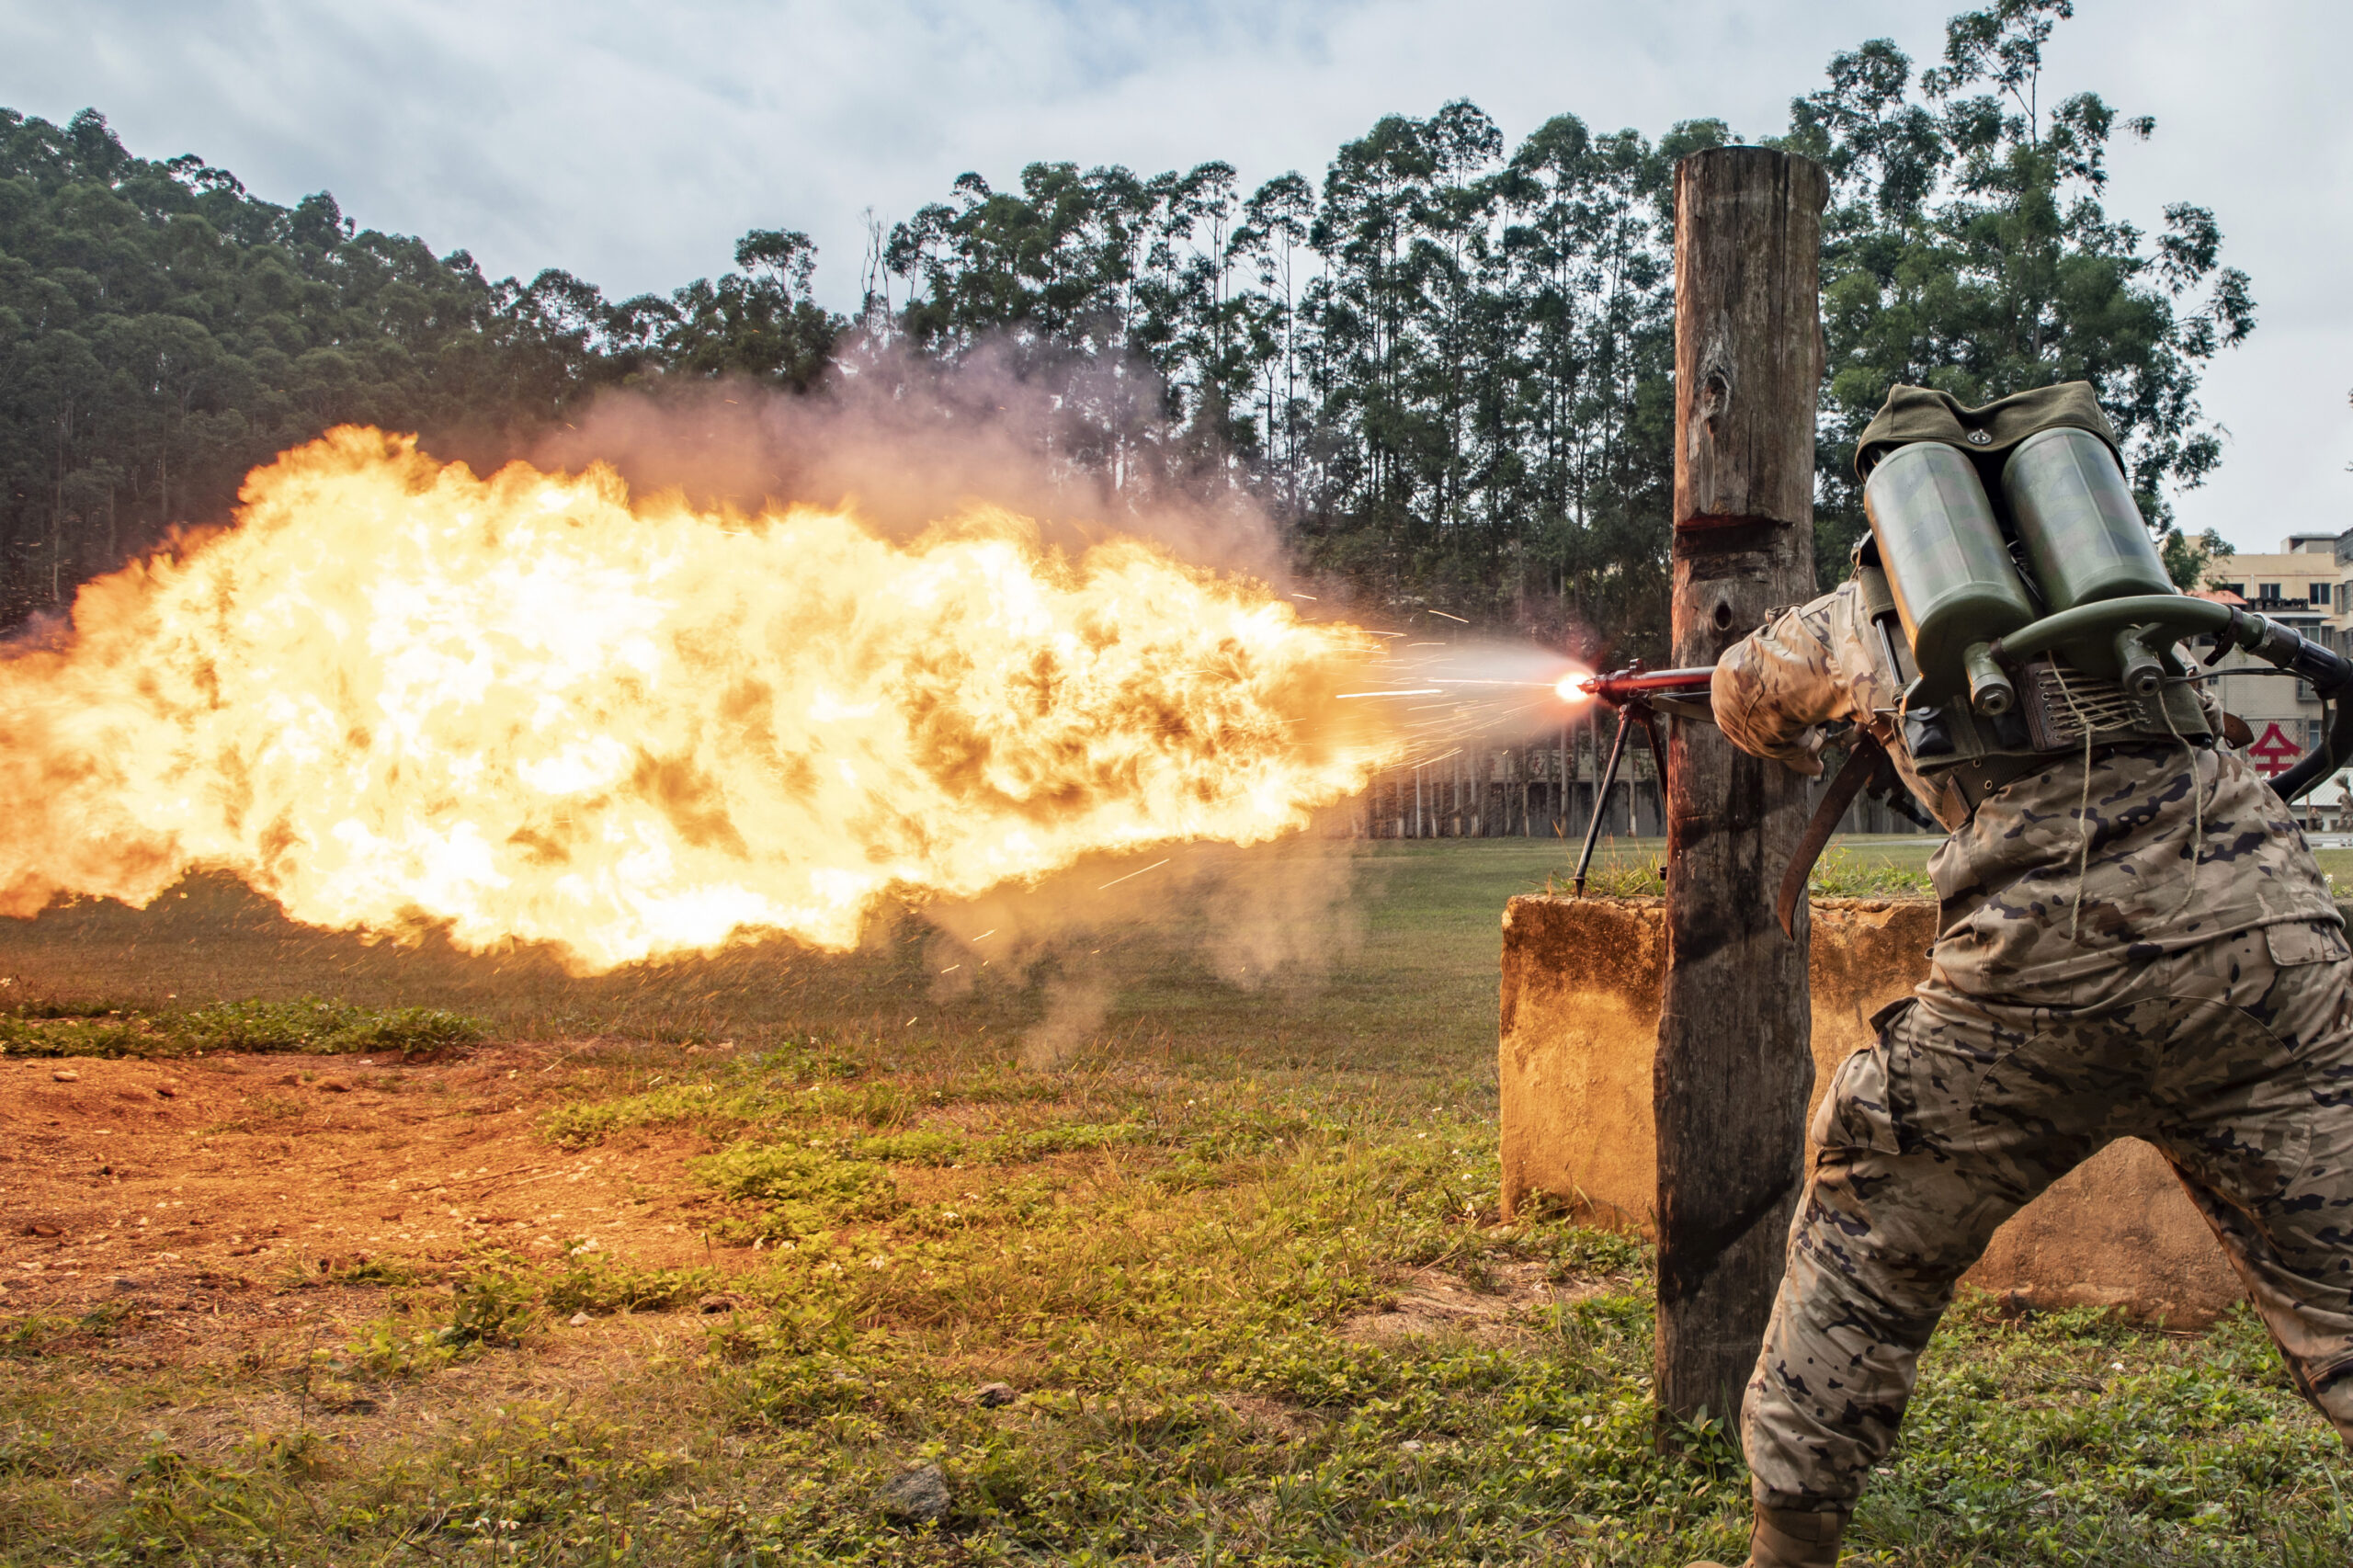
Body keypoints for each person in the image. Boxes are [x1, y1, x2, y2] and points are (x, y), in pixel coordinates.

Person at [1688, 384, 2353, 1568]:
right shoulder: (2139, 607)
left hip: (2037, 983)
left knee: (1865, 1230)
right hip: (2268, 956)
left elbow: (1742, 698)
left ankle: (1787, 1543)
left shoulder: (1863, 611)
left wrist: (1821, 704)